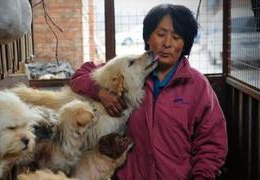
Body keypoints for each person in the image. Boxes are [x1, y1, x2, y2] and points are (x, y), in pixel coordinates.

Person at [69, 4, 227, 180]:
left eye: (176, 37)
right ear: (148, 37)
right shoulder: (130, 71)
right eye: (160, 34)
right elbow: (80, 75)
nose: (167, 43)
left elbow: (211, 143)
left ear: (185, 43)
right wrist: (100, 92)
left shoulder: (197, 86)